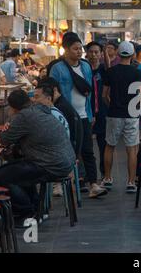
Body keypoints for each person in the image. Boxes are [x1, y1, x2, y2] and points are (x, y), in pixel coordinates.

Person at [0, 90, 75, 226]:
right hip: (64, 160)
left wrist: (8, 126)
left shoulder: (24, 116)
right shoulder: (38, 109)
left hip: (51, 164)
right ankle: (38, 210)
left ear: (13, 108)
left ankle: (26, 213)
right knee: (20, 170)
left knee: (1, 176)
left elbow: (4, 139)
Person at [49, 32, 107, 198]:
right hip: (64, 116)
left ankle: (93, 184)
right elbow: (52, 91)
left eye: (80, 48)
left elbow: (91, 91)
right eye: (75, 49)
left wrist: (92, 112)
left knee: (88, 150)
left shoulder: (86, 66)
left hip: (84, 115)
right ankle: (58, 183)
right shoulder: (57, 68)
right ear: (65, 49)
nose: (79, 52)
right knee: (63, 150)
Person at [102, 41, 141, 193]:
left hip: (114, 113)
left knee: (109, 146)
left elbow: (104, 95)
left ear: (118, 54)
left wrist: (112, 106)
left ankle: (107, 178)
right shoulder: (136, 73)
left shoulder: (111, 72)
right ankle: (131, 182)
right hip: (131, 115)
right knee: (131, 149)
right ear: (133, 55)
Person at [37, 77, 83, 163]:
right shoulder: (61, 103)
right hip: (70, 153)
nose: (36, 101)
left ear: (54, 90)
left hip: (67, 155)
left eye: (38, 96)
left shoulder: (58, 108)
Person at [86, 41, 109, 177]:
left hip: (102, 112)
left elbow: (108, 68)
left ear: (100, 54)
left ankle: (105, 174)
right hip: (86, 111)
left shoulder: (103, 70)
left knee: (103, 145)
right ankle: (88, 176)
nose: (94, 55)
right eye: (91, 52)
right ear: (87, 53)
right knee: (86, 146)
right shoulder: (83, 68)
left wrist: (106, 53)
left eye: (97, 52)